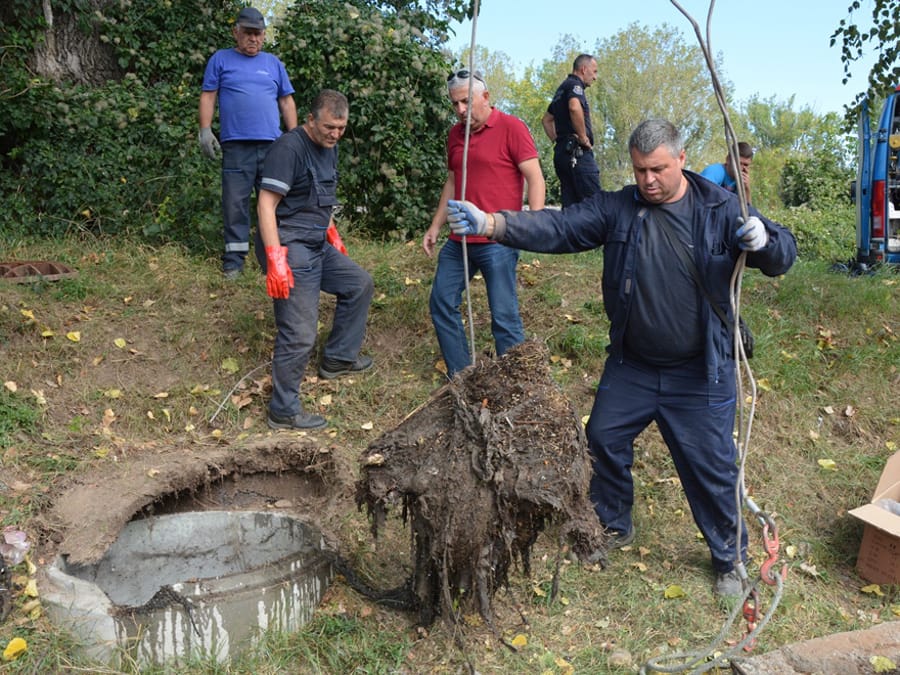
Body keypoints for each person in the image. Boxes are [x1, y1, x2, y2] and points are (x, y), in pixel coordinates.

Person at [445, 119, 797, 597]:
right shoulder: (618, 208)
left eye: (658, 169)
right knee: (603, 437)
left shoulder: (721, 208)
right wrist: (493, 223)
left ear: (682, 159)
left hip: (700, 372)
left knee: (712, 466)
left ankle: (730, 560)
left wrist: (765, 241)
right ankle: (612, 523)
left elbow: (782, 255)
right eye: (639, 170)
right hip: (633, 364)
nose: (648, 180)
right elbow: (561, 226)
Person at [257, 90, 374, 430]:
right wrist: (275, 258)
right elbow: (266, 205)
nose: (335, 134)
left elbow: (320, 198)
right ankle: (283, 410)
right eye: (328, 127)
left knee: (359, 284)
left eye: (341, 128)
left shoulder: (330, 148)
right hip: (290, 246)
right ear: (310, 120)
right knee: (300, 332)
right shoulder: (288, 149)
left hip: (318, 241)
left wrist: (332, 232)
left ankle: (338, 359)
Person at [423, 70, 545, 377]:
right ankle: (463, 377)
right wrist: (436, 226)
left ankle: (517, 382)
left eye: (466, 102)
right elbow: (452, 180)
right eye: (455, 104)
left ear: (486, 97)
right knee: (441, 301)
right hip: (459, 238)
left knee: (504, 316)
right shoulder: (455, 135)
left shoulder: (511, 127)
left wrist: (534, 225)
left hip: (499, 239)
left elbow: (535, 177)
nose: (461, 110)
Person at [199, 6, 298, 279]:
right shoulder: (220, 60)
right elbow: (209, 95)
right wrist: (205, 130)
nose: (254, 39)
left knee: (277, 204)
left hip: (273, 148)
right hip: (236, 147)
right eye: (248, 34)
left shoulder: (273, 64)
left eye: (259, 34)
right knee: (235, 204)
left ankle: (276, 259)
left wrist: (297, 137)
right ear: (236, 33)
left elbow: (286, 101)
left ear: (264, 36)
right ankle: (234, 263)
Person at [542, 54, 601, 207]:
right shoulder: (575, 86)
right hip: (578, 153)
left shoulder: (561, 89)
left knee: (570, 208)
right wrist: (582, 138)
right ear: (583, 69)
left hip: (562, 154)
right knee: (596, 205)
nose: (595, 77)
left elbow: (546, 119)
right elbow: (574, 107)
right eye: (594, 71)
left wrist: (558, 141)